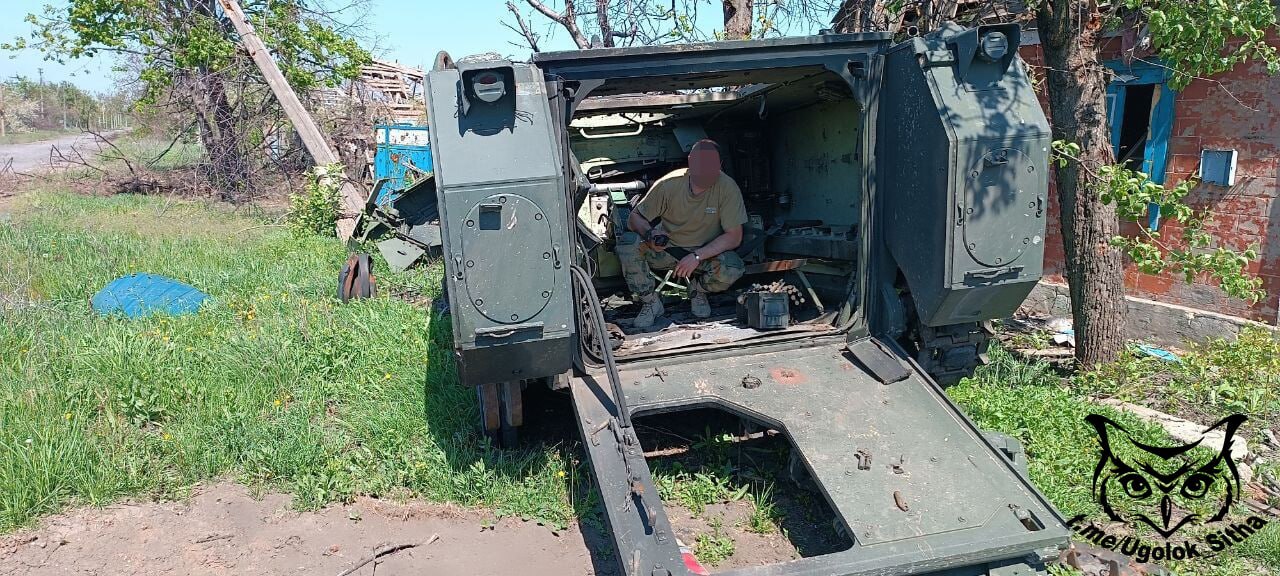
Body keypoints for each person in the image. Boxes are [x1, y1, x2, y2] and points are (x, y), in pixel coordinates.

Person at [617, 139, 747, 329]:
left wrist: (696, 256)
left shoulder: (727, 188)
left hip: (704, 255)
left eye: (712, 165)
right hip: (667, 250)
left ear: (719, 165)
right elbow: (634, 218)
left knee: (733, 267)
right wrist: (650, 235)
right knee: (627, 243)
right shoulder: (669, 185)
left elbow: (734, 236)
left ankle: (697, 290)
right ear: (690, 162)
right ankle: (650, 302)